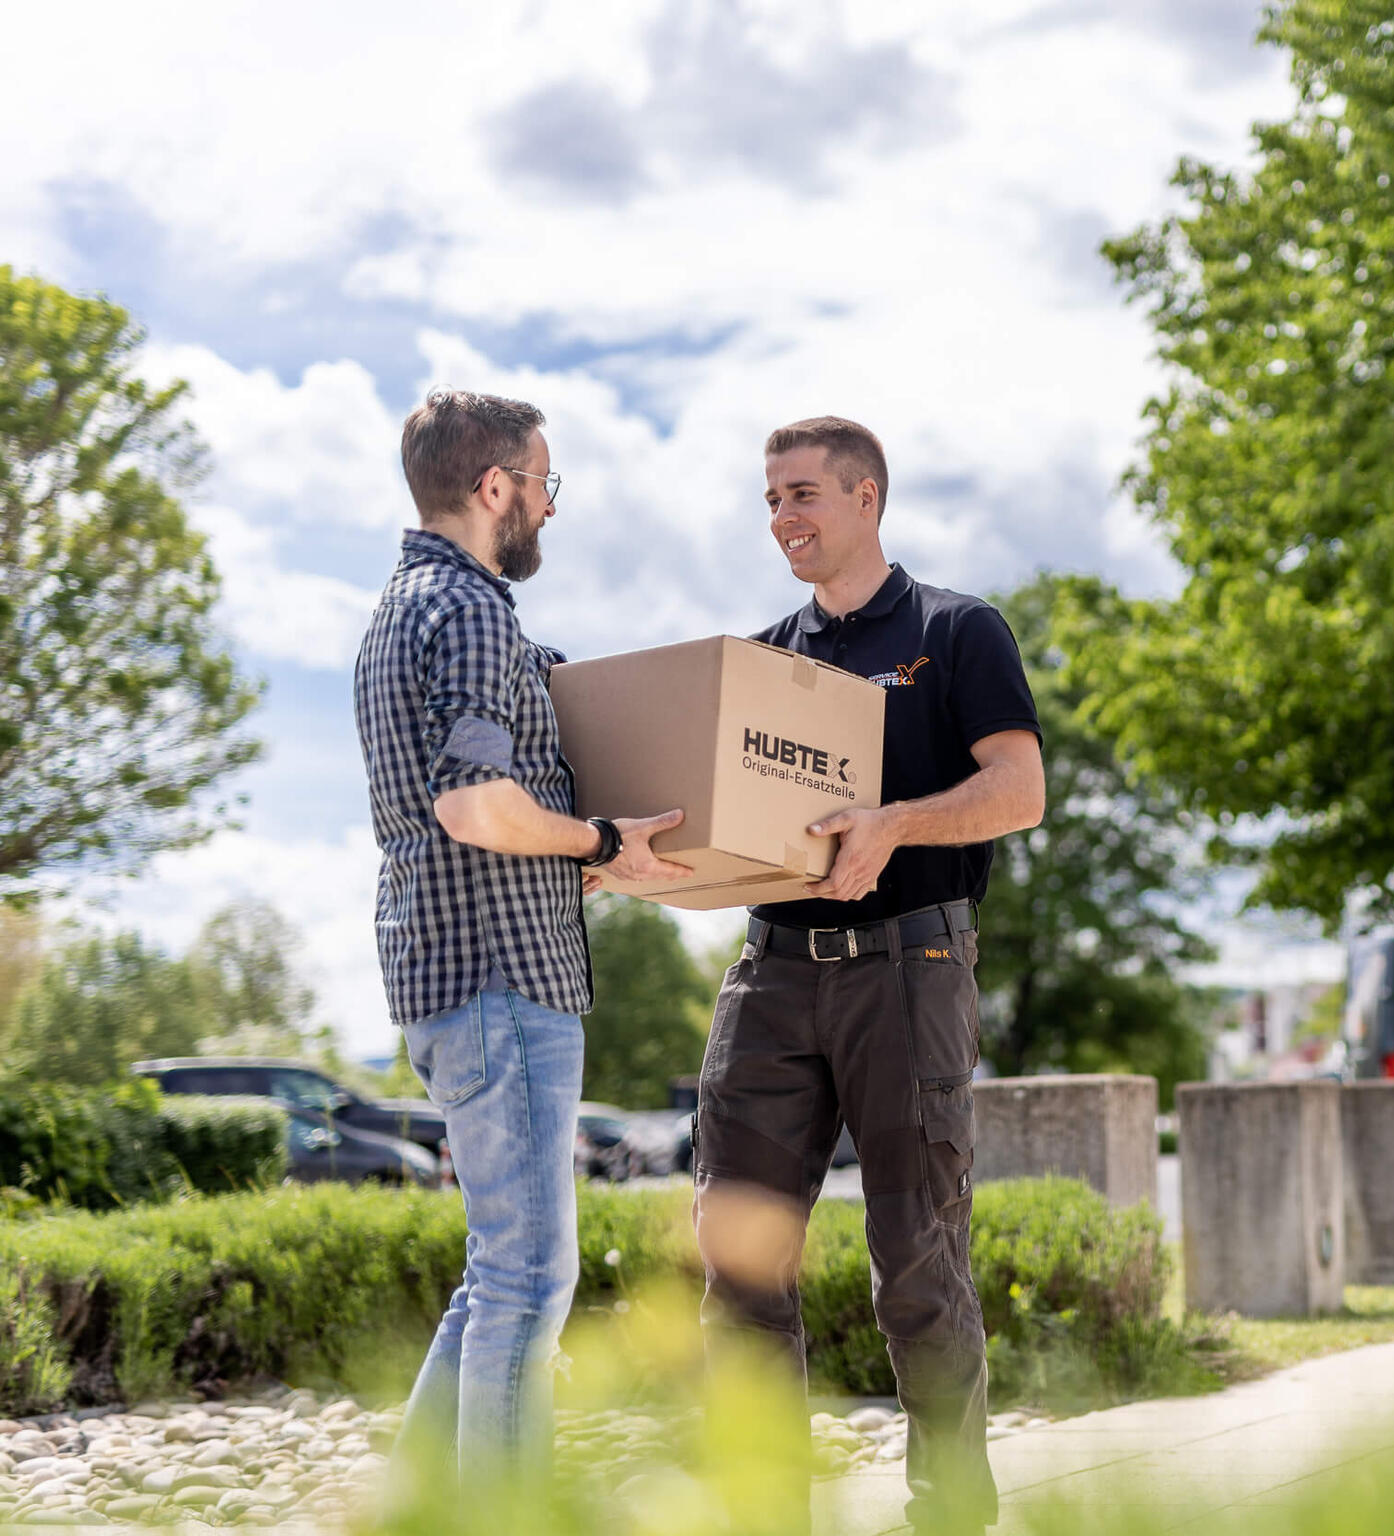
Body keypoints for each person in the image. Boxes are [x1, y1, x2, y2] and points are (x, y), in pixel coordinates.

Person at [693, 416, 1045, 1532]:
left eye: (801, 494)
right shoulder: (763, 663)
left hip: (909, 966)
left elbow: (1020, 791)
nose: (782, 519)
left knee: (917, 1259)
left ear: (864, 499)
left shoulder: (954, 631)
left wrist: (895, 825)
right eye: (769, 500)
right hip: (771, 974)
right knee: (735, 1256)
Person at [354, 389, 683, 1483]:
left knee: (496, 1273)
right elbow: (473, 805)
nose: (549, 507)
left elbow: (466, 819)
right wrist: (598, 841)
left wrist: (577, 858)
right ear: (495, 487)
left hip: (444, 972)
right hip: (502, 981)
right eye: (545, 484)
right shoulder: (474, 609)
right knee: (531, 1281)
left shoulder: (396, 610)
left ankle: (415, 1505)